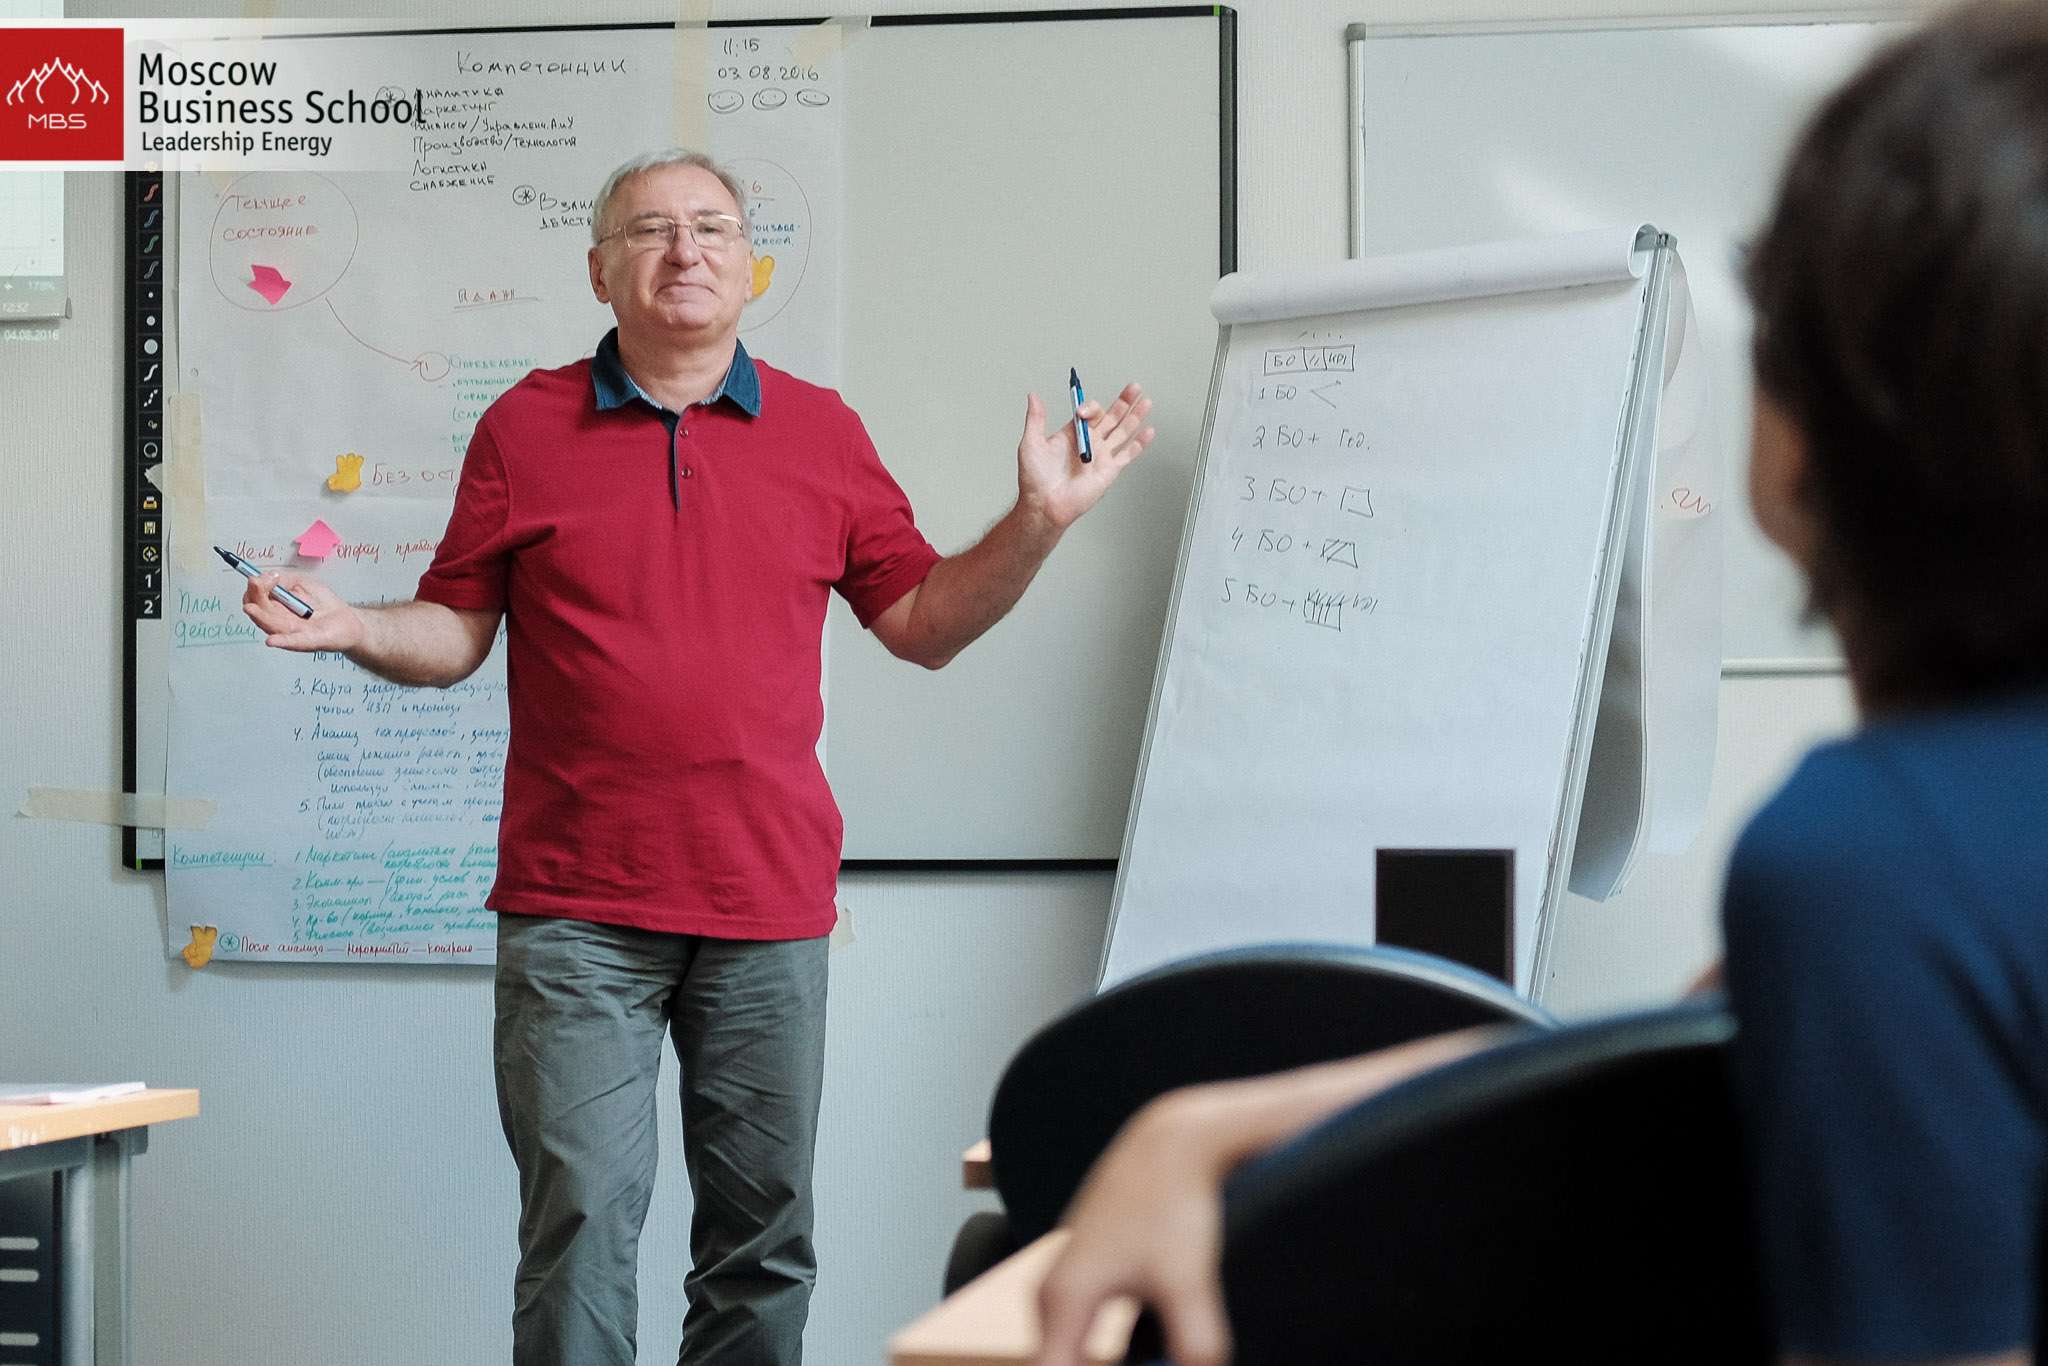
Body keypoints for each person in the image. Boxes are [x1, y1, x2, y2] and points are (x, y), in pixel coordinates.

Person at [1034, 4, 2048, 1364]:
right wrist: (1206, 1122)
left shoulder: (1873, 861)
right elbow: (1691, 1037)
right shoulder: (1930, 854)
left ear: (1814, 418)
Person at [240, 147, 1153, 1366]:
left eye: (713, 227)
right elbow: (455, 632)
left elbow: (923, 622)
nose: (685, 250)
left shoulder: (822, 433)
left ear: (748, 264)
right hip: (575, 907)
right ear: (598, 270)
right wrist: (355, 624)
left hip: (763, 900)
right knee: (577, 1231)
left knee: (761, 1240)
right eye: (651, 229)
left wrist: (1036, 522)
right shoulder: (522, 426)